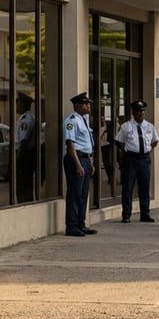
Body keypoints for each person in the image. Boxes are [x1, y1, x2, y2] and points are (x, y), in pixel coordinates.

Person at [115, 100, 159, 223]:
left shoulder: (149, 126)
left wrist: (149, 148)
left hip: (144, 158)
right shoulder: (126, 126)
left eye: (143, 111)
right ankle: (126, 214)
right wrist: (125, 153)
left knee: (144, 186)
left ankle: (145, 213)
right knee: (128, 186)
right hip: (131, 159)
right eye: (139, 111)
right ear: (134, 112)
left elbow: (156, 140)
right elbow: (118, 141)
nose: (142, 113)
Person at [63, 92, 96, 237]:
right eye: (85, 103)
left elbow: (87, 144)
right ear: (77, 105)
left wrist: (90, 162)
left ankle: (80, 223)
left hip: (85, 159)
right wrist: (78, 165)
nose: (88, 106)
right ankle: (72, 225)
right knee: (75, 193)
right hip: (75, 159)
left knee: (83, 194)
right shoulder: (71, 121)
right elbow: (71, 144)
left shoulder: (84, 120)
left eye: (88, 103)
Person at [16, 94, 37, 203]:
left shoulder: (26, 119)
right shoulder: (30, 117)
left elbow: (23, 142)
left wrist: (17, 158)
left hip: (26, 156)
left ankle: (24, 205)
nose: (17, 105)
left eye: (18, 102)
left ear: (24, 103)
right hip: (28, 155)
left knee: (23, 184)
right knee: (26, 184)